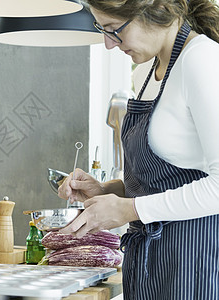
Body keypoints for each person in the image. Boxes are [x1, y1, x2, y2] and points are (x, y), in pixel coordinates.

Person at [58, 0, 219, 298]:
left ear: (155, 8)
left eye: (114, 30)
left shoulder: (202, 60)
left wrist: (128, 209)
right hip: (148, 265)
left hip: (195, 264)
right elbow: (156, 184)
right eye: (101, 30)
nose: (108, 45)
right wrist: (108, 191)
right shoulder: (144, 72)